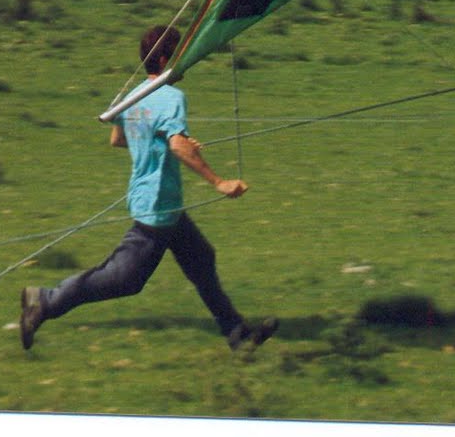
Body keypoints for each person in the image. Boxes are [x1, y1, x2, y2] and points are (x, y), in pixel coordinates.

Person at [18, 26, 277, 351]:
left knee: (201, 260)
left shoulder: (134, 95)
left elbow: (118, 139)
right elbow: (178, 146)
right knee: (125, 279)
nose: (186, 61)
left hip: (160, 202)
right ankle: (45, 300)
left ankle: (237, 334)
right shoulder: (172, 97)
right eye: (180, 54)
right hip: (157, 206)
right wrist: (219, 182)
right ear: (166, 59)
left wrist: (165, 140)